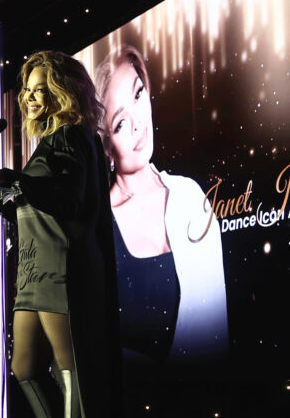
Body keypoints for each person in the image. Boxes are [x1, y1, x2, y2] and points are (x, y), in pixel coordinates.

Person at [0, 50, 131, 418]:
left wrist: (13, 182)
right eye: (26, 90)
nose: (29, 98)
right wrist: (4, 198)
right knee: (24, 369)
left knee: (72, 377)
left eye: (40, 89)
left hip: (62, 267)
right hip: (32, 268)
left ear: (63, 91)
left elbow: (70, 198)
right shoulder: (49, 142)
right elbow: (42, 201)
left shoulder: (71, 136)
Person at [94, 44, 229, 368]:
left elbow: (218, 332)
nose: (138, 123)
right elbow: (90, 345)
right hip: (135, 397)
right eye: (120, 123)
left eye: (138, 94)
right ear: (106, 146)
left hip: (210, 392)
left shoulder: (190, 195)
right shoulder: (97, 225)